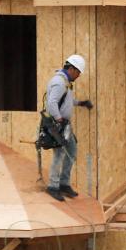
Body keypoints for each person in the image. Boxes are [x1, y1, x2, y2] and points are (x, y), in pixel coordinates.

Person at [44, 54, 93, 201]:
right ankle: (53, 186)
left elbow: (66, 101)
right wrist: (59, 120)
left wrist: (81, 103)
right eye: (78, 72)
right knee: (59, 154)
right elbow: (51, 103)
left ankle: (64, 184)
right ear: (71, 69)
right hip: (57, 124)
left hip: (64, 125)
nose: (78, 76)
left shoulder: (66, 82)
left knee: (71, 150)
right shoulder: (59, 82)